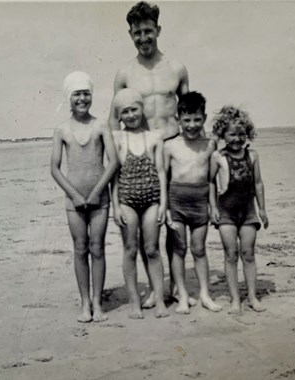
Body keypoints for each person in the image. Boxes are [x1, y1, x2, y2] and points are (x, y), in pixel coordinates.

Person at [108, 1, 190, 307]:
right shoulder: (124, 73)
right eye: (137, 33)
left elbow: (188, 111)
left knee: (173, 221)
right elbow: (113, 119)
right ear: (130, 34)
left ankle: (176, 286)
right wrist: (113, 159)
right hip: (139, 152)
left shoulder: (177, 68)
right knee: (145, 226)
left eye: (148, 31)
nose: (144, 38)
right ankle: (157, 289)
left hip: (172, 147)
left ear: (158, 30)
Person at [50, 71, 118, 323]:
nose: (82, 99)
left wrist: (98, 191)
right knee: (80, 248)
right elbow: (55, 168)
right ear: (69, 97)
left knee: (97, 248)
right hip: (74, 202)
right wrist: (76, 195)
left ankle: (98, 304)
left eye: (86, 93)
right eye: (77, 94)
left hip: (100, 199)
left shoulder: (101, 125)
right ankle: (85, 303)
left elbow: (113, 162)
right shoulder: (62, 130)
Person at [111, 88, 169, 319]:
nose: (131, 115)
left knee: (152, 249)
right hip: (127, 200)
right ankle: (135, 302)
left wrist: (163, 204)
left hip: (152, 199)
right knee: (130, 249)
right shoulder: (117, 138)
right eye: (125, 112)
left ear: (142, 109)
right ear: (120, 116)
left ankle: (160, 300)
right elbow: (114, 175)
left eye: (134, 109)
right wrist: (115, 206)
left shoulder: (154, 137)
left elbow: (162, 172)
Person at [163, 92, 222, 314]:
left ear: (204, 118)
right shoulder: (170, 146)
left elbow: (212, 179)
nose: (192, 125)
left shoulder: (210, 144)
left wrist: (214, 206)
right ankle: (183, 295)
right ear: (178, 119)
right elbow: (164, 179)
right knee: (178, 249)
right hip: (176, 201)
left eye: (197, 119)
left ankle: (205, 294)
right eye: (186, 120)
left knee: (199, 249)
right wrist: (166, 208)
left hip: (200, 202)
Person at [209, 105, 269, 314]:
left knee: (249, 253)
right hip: (226, 212)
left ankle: (252, 296)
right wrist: (213, 208)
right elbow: (211, 183)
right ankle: (235, 300)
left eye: (241, 134)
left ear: (247, 133)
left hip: (248, 212)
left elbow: (258, 184)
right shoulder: (218, 156)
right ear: (223, 134)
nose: (237, 138)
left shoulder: (252, 155)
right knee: (231, 254)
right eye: (232, 134)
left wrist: (262, 209)